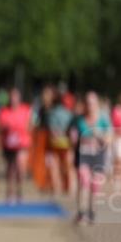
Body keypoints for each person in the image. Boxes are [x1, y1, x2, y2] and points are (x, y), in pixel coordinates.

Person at [73, 90, 113, 224]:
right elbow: (73, 134)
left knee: (95, 185)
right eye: (88, 103)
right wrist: (74, 138)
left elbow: (110, 137)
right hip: (83, 155)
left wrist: (99, 136)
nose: (90, 106)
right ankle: (81, 212)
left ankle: (92, 212)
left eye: (92, 103)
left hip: (98, 155)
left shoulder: (103, 119)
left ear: (97, 104)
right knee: (84, 181)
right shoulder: (79, 119)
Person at [0, 87, 32, 204]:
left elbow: (31, 125)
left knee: (20, 167)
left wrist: (25, 129)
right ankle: (10, 192)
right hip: (8, 144)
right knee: (10, 169)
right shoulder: (3, 111)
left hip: (22, 143)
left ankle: (20, 191)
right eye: (12, 97)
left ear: (19, 98)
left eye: (16, 96)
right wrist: (5, 128)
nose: (13, 99)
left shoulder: (26, 109)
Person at [45, 88, 75, 196]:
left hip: (55, 143)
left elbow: (52, 130)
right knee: (69, 167)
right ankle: (71, 188)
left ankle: (57, 188)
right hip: (67, 143)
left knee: (55, 166)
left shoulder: (52, 113)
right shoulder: (69, 113)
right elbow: (72, 129)